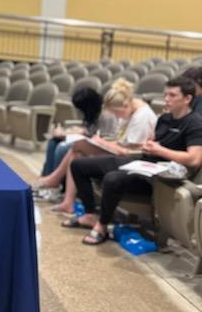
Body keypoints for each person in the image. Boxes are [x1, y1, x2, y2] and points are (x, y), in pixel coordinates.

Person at [67, 75, 202, 245]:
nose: (166, 99)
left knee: (112, 178)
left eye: (172, 95)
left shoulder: (195, 123)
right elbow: (154, 143)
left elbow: (195, 159)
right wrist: (149, 145)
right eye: (165, 94)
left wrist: (161, 150)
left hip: (160, 177)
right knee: (79, 165)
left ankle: (102, 226)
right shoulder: (165, 118)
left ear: (188, 98)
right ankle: (90, 214)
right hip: (143, 163)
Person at [49, 79, 157, 216]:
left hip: (131, 159)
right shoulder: (129, 110)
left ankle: (56, 182)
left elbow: (131, 151)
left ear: (125, 105)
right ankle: (67, 201)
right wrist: (102, 142)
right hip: (120, 151)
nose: (117, 117)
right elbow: (121, 141)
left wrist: (102, 142)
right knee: (77, 151)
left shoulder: (142, 117)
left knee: (79, 147)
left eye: (117, 114)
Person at [34, 86, 117, 201]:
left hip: (99, 148)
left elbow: (105, 139)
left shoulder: (107, 116)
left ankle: (56, 185)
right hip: (87, 141)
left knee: (62, 148)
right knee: (53, 142)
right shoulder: (92, 113)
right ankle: (47, 180)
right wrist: (70, 132)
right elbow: (88, 129)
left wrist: (84, 133)